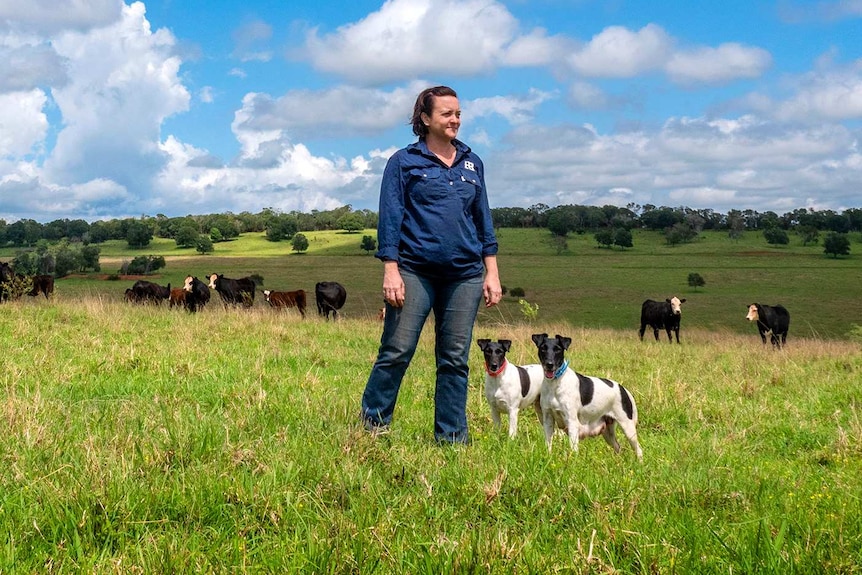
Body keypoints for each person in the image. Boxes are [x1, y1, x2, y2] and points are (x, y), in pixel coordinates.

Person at [360, 85, 503, 444]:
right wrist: (390, 269)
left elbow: (482, 219)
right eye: (446, 114)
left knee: (455, 359)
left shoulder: (473, 163)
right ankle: (372, 429)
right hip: (414, 270)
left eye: (458, 113)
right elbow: (390, 218)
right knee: (397, 350)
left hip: (466, 274)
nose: (455, 120)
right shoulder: (404, 162)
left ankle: (452, 438)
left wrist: (492, 271)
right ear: (425, 119)